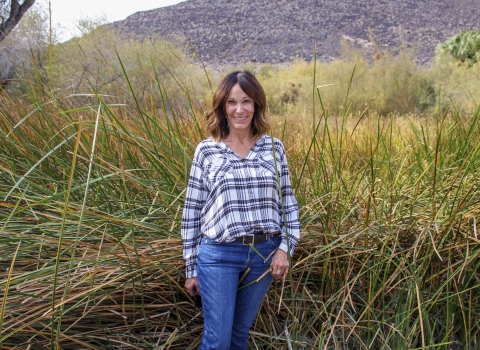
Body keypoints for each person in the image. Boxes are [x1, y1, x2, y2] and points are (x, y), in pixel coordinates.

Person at [181, 70, 300, 349]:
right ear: (223, 106)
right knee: (218, 341)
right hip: (219, 254)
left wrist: (285, 248)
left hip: (263, 255)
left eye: (246, 101)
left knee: (238, 337)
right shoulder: (207, 151)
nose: (239, 109)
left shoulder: (274, 149)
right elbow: (192, 210)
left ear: (257, 104)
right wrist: (190, 268)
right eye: (232, 102)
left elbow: (288, 203)